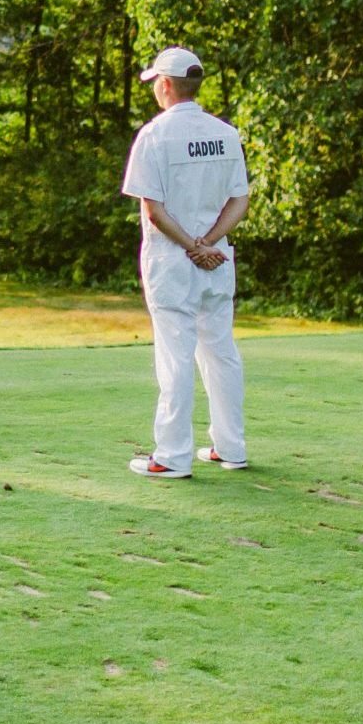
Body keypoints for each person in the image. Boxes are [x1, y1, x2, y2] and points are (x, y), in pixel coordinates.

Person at [121, 47, 253, 479]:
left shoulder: (154, 135)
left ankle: (173, 456)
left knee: (175, 358)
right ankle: (230, 447)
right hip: (218, 260)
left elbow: (154, 211)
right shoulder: (225, 133)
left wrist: (192, 245)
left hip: (172, 263)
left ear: (165, 85)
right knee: (220, 352)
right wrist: (209, 243)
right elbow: (240, 199)